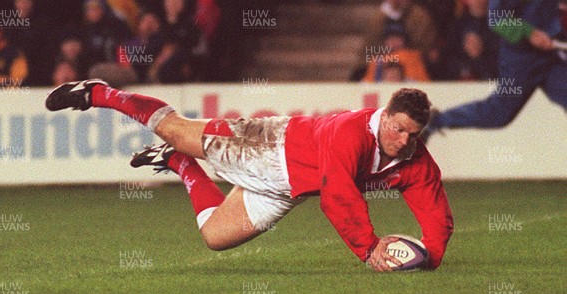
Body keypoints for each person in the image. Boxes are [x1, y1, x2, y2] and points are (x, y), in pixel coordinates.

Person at [45, 80, 454, 272]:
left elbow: (434, 207)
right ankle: (100, 93)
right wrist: (369, 249)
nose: (402, 140)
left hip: (286, 189)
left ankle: (179, 164)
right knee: (173, 128)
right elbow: (338, 196)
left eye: (412, 134)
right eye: (397, 128)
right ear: (385, 116)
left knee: (215, 238)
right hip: (264, 145)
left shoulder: (414, 159)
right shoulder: (351, 133)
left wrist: (431, 256)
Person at [422, 0, 567, 141]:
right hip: (522, 61)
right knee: (498, 113)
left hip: (552, 55)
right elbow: (498, 19)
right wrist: (529, 33)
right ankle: (437, 121)